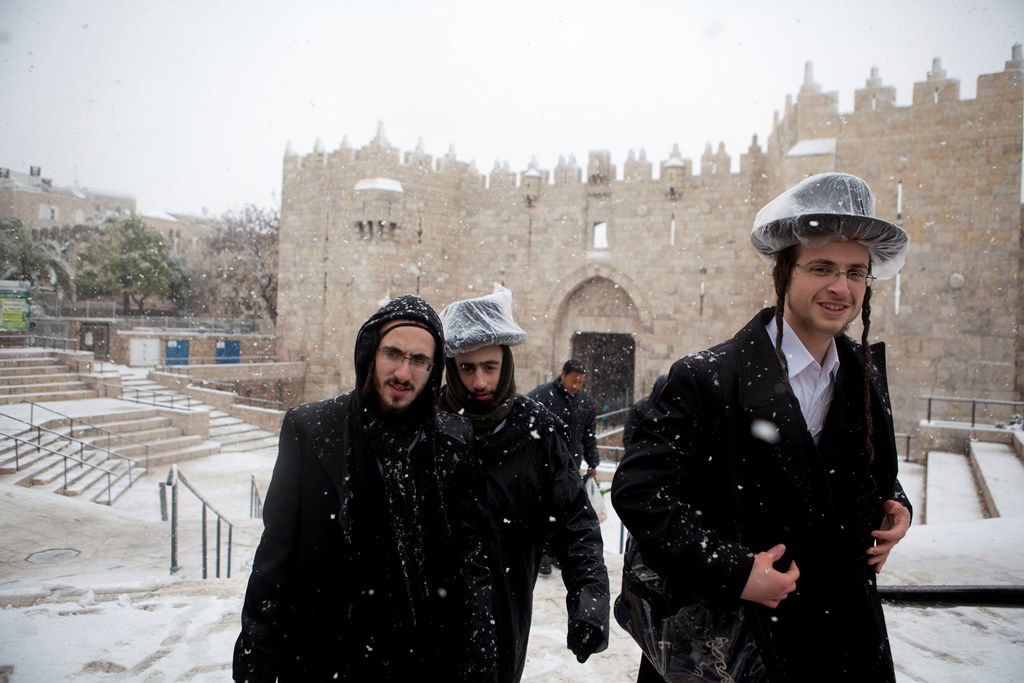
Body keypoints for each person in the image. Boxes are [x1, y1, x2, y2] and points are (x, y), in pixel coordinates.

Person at [612, 172, 913, 681]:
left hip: (842, 641)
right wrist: (735, 572)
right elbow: (640, 494)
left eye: (856, 272)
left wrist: (895, 505)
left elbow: (857, 475)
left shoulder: (865, 377)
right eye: (822, 267)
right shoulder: (708, 379)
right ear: (784, 273)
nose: (841, 287)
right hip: (738, 647)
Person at [233, 295, 496, 682]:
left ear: (434, 368)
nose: (403, 374)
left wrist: (480, 645)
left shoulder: (454, 441)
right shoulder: (312, 431)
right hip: (326, 660)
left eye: (419, 360)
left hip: (424, 662)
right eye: (393, 354)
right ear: (371, 353)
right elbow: (275, 560)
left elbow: (469, 555)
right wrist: (257, 659)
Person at [440, 284, 610, 682]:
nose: (480, 382)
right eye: (467, 368)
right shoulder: (426, 428)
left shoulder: (538, 431)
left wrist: (589, 597)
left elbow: (574, 520)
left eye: (489, 367)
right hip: (432, 617)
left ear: (506, 363)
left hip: (507, 612)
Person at [529, 359, 599, 478]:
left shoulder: (586, 402)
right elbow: (529, 428)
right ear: (563, 375)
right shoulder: (541, 396)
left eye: (580, 382)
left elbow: (589, 435)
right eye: (573, 381)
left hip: (572, 463)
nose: (576, 386)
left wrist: (593, 463)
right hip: (543, 463)